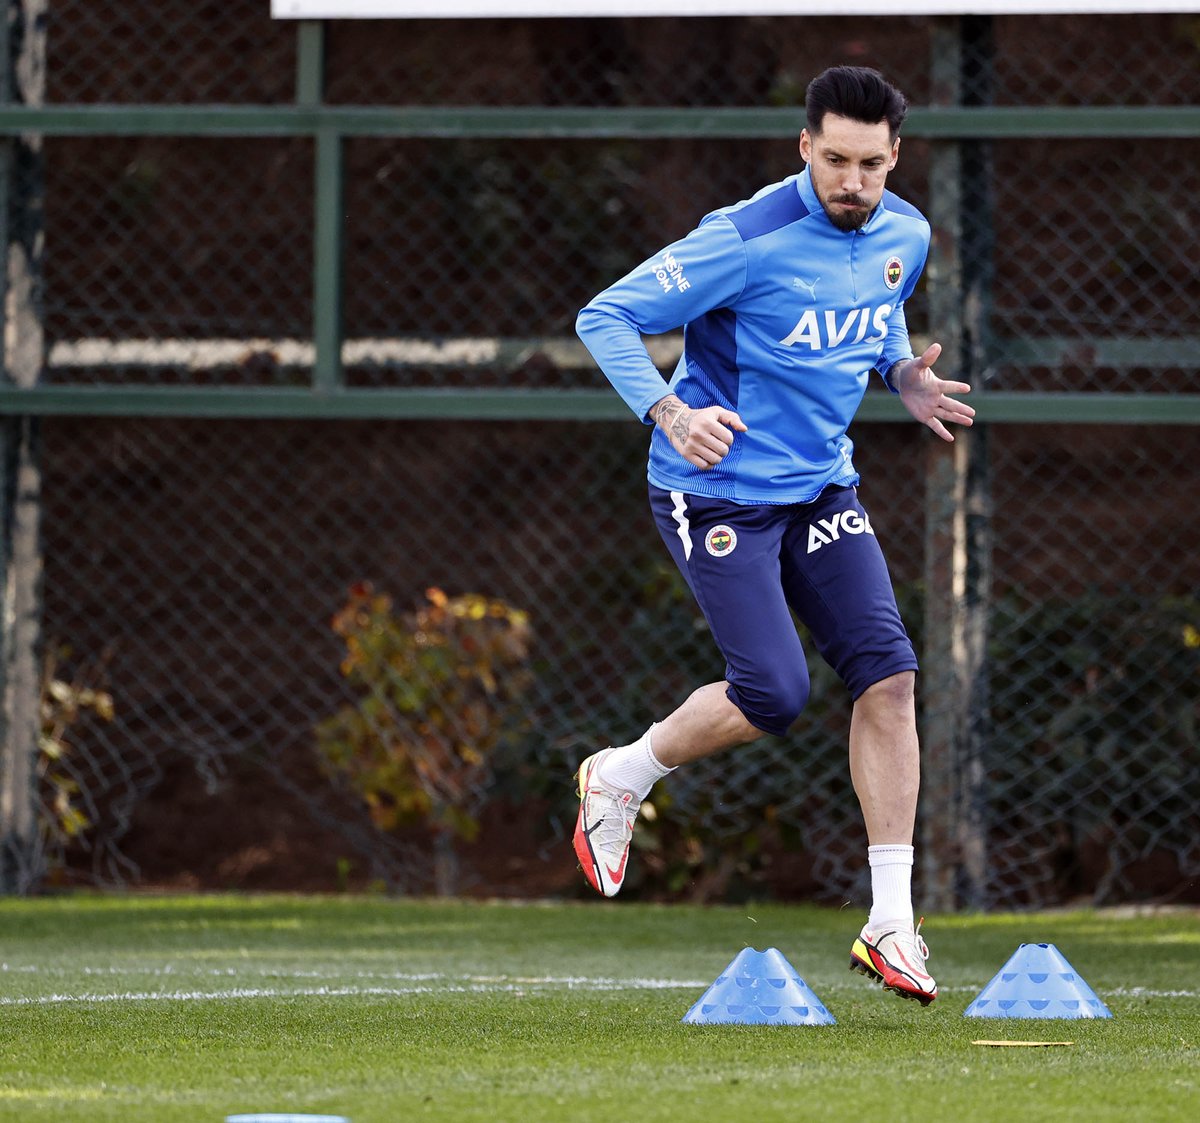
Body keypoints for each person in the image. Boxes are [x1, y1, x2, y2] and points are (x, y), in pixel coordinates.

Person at [572, 65, 975, 1006]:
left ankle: (890, 920)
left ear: (895, 157)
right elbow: (607, 315)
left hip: (821, 487)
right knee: (774, 693)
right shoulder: (743, 238)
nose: (852, 181)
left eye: (871, 164)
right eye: (835, 160)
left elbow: (877, 313)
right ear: (804, 147)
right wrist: (671, 412)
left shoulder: (907, 233)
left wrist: (900, 375)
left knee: (890, 673)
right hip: (716, 492)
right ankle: (622, 775)